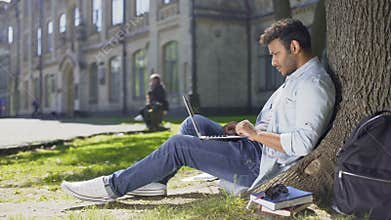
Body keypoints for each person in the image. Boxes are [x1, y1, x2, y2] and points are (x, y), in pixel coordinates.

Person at [61, 19, 336, 202]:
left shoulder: (313, 85)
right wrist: (247, 129)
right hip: (256, 148)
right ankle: (156, 182)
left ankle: (113, 186)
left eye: (275, 54)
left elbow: (301, 143)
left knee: (178, 145)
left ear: (295, 47)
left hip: (258, 165)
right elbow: (283, 125)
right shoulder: (296, 78)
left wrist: (254, 135)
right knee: (196, 124)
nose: (273, 61)